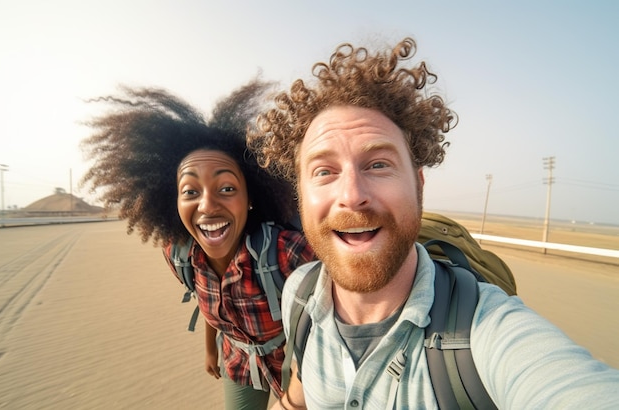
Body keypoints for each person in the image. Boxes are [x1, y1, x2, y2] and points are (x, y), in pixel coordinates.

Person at [247, 37, 619, 409]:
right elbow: (297, 398)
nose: (352, 194)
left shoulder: (485, 332)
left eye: (378, 164)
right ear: (300, 196)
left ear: (418, 186)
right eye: (324, 171)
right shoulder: (300, 292)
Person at [81, 80, 315, 410]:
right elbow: (208, 300)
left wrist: (296, 396)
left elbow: (340, 314)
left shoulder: (284, 251)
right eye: (190, 191)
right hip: (238, 362)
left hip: (296, 367)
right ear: (173, 202)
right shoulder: (179, 255)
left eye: (227, 188)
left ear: (251, 198)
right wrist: (211, 349)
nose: (207, 205)